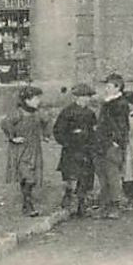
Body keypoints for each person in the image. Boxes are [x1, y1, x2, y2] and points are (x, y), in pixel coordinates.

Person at [1, 85, 49, 217]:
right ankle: (28, 205)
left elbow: (46, 122)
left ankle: (26, 203)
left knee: (32, 176)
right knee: (28, 177)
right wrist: (13, 137)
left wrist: (45, 135)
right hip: (21, 150)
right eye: (36, 98)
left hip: (34, 149)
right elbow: (5, 123)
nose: (38, 101)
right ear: (27, 100)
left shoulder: (37, 113)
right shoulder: (18, 113)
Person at [52, 83, 98, 218]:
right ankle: (68, 201)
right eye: (83, 97)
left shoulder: (90, 113)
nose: (86, 99)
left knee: (85, 178)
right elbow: (58, 131)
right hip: (71, 150)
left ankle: (82, 205)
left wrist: (92, 143)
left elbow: (94, 131)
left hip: (86, 150)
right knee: (70, 177)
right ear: (76, 97)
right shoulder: (67, 112)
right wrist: (69, 140)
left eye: (88, 97)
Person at [93, 74, 130, 219]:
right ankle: (105, 205)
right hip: (102, 143)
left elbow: (122, 126)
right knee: (103, 175)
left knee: (112, 175)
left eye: (109, 86)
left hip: (111, 145)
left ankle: (115, 205)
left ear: (117, 87)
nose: (106, 89)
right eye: (106, 86)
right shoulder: (107, 103)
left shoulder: (120, 104)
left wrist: (116, 142)